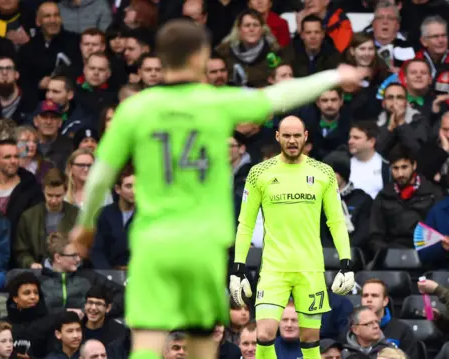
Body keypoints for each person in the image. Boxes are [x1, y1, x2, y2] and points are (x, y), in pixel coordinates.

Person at [69, 18, 367, 359]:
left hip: (154, 240)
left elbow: (100, 175)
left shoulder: (136, 109)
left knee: (148, 341)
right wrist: (333, 76)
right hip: (202, 242)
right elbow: (277, 95)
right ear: (201, 56)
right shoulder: (216, 102)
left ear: (160, 59)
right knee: (200, 343)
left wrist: (85, 225)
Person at [232, 115, 356, 359]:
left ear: (306, 137)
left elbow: (336, 222)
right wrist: (238, 268)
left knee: (310, 339)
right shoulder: (259, 173)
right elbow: (245, 224)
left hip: (310, 268)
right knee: (265, 334)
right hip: (274, 268)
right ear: (277, 137)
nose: (291, 140)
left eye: (296, 135)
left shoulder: (323, 173)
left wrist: (347, 263)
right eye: (286, 135)